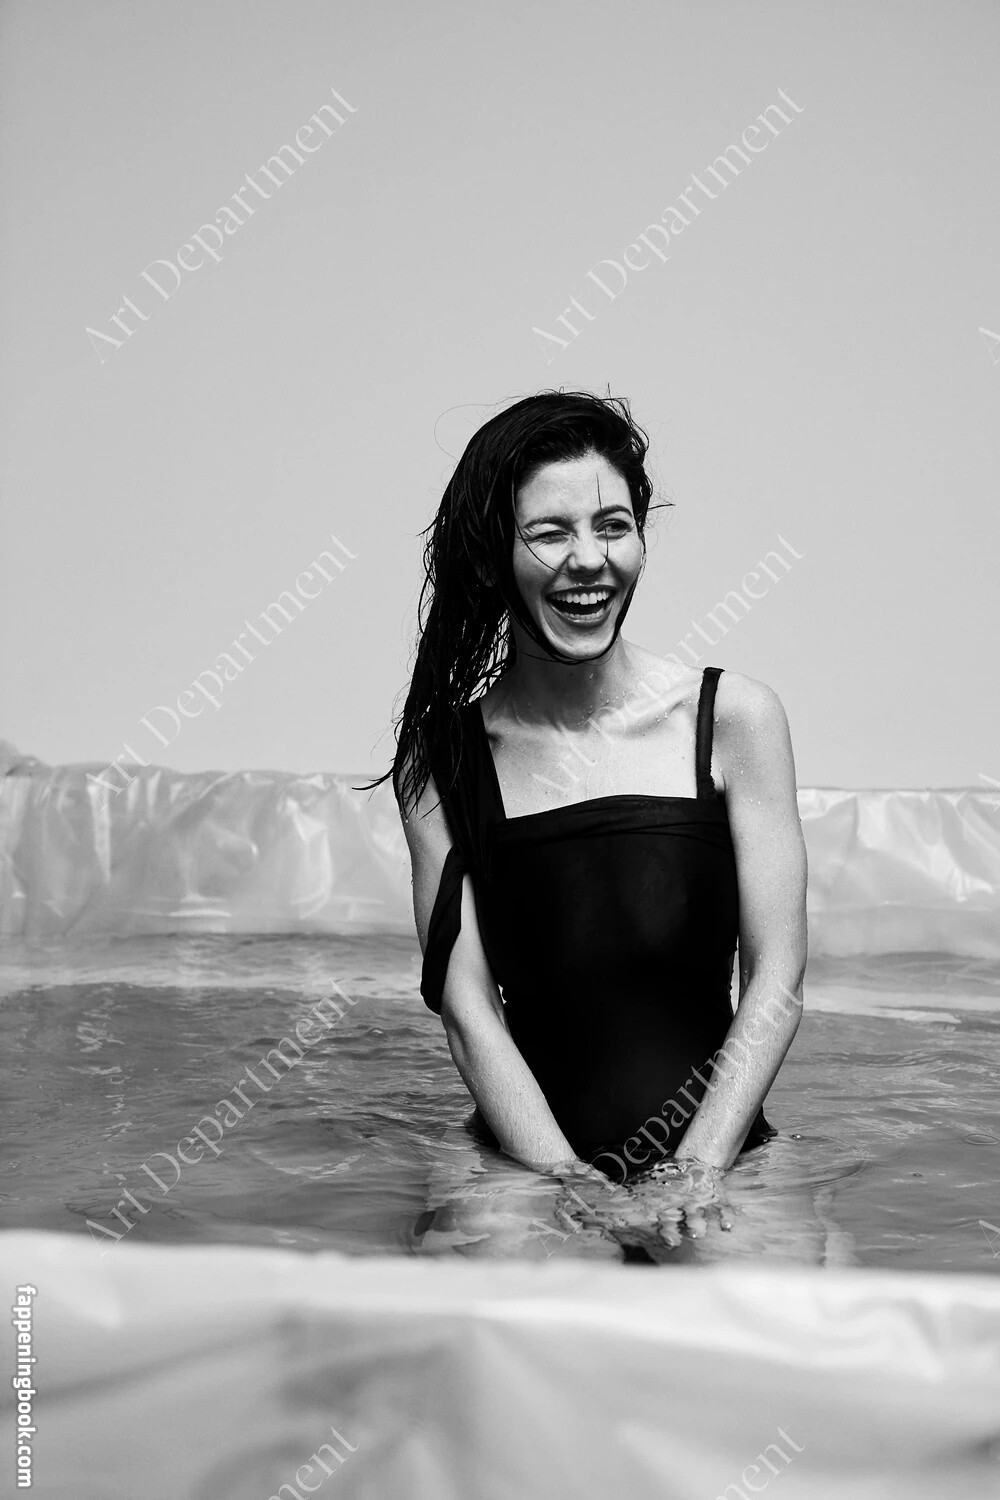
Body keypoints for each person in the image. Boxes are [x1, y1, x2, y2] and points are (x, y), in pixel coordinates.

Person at [366, 390, 809, 1257]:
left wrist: (697, 1168)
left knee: (769, 1322)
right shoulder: (442, 760)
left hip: (728, 1154)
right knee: (503, 1325)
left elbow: (777, 978)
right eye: (550, 533)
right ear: (493, 556)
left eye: (613, 527)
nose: (589, 561)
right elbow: (467, 1011)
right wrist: (562, 1180)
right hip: (521, 1163)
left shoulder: (734, 719)